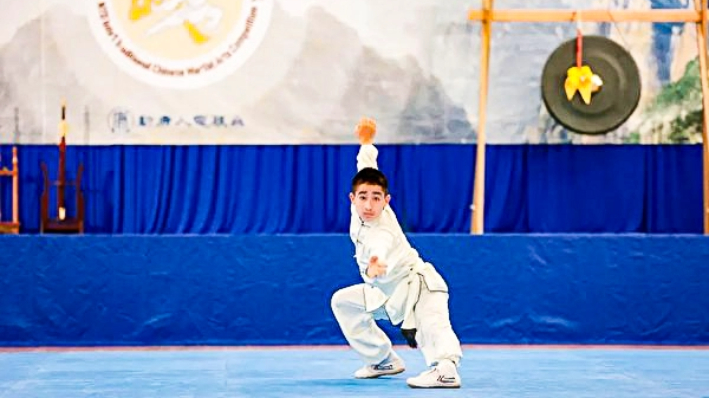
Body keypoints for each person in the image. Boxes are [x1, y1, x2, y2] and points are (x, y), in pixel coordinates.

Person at [330, 117, 463, 389]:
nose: (369, 204)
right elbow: (367, 165)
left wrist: (374, 265)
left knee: (434, 326)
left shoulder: (383, 230)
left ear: (386, 201)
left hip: (418, 286)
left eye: (376, 198)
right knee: (344, 302)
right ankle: (383, 360)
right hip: (387, 293)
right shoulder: (361, 211)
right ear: (352, 198)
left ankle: (446, 371)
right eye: (363, 196)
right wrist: (366, 142)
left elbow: (380, 251)